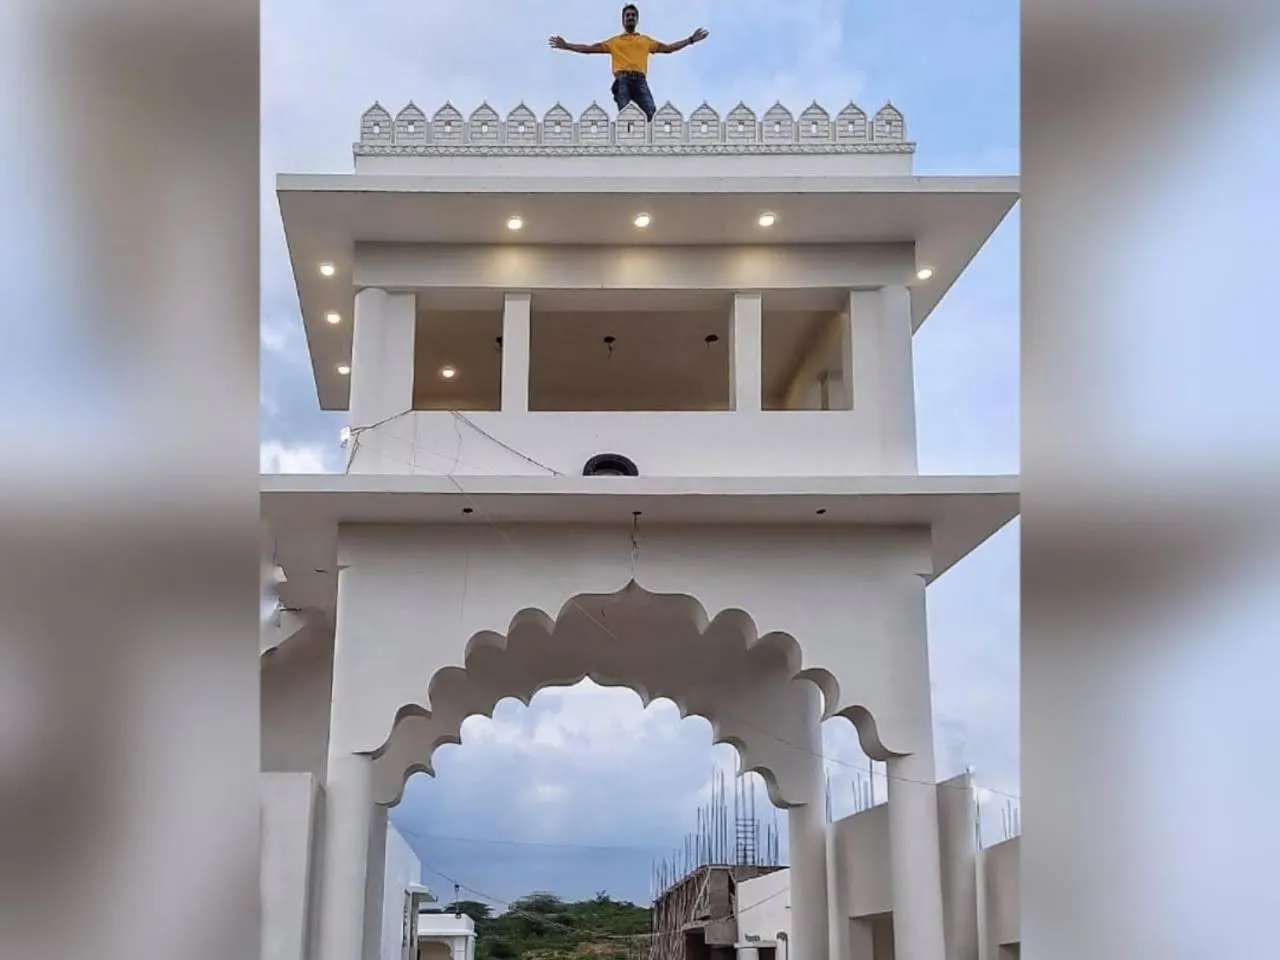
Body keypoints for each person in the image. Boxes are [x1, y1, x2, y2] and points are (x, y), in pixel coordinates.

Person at [548, 4, 709, 121]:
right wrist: (567, 45)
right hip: (623, 80)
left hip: (640, 80)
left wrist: (690, 40)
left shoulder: (645, 41)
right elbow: (588, 48)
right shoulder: (615, 42)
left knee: (652, 115)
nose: (630, 17)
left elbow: (668, 48)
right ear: (623, 20)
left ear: (637, 19)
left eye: (633, 15)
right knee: (625, 117)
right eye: (628, 15)